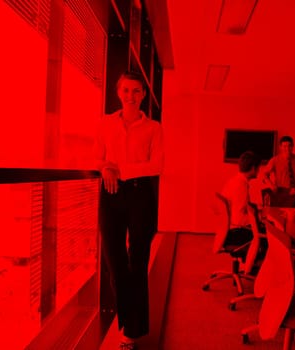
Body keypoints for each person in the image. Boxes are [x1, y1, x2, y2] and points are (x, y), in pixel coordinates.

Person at [95, 71, 163, 350]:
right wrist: (104, 167)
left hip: (139, 194)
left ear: (144, 95)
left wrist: (118, 169)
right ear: (118, 93)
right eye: (126, 90)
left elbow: (156, 165)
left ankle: (130, 333)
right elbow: (97, 156)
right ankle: (129, 316)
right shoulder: (105, 123)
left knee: (138, 261)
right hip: (110, 192)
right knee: (114, 259)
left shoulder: (154, 128)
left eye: (136, 91)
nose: (131, 96)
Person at [220, 151, 262, 245]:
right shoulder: (241, 186)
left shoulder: (233, 181)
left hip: (227, 229)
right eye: (258, 168)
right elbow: (239, 219)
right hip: (235, 232)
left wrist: (254, 210)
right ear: (253, 168)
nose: (259, 171)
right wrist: (259, 217)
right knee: (267, 234)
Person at [262, 135, 295, 207]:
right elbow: (264, 174)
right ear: (280, 147)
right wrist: (271, 185)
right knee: (279, 216)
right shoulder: (274, 160)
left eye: (289, 146)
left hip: (294, 193)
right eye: (284, 146)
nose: (287, 148)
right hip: (280, 194)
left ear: (293, 146)